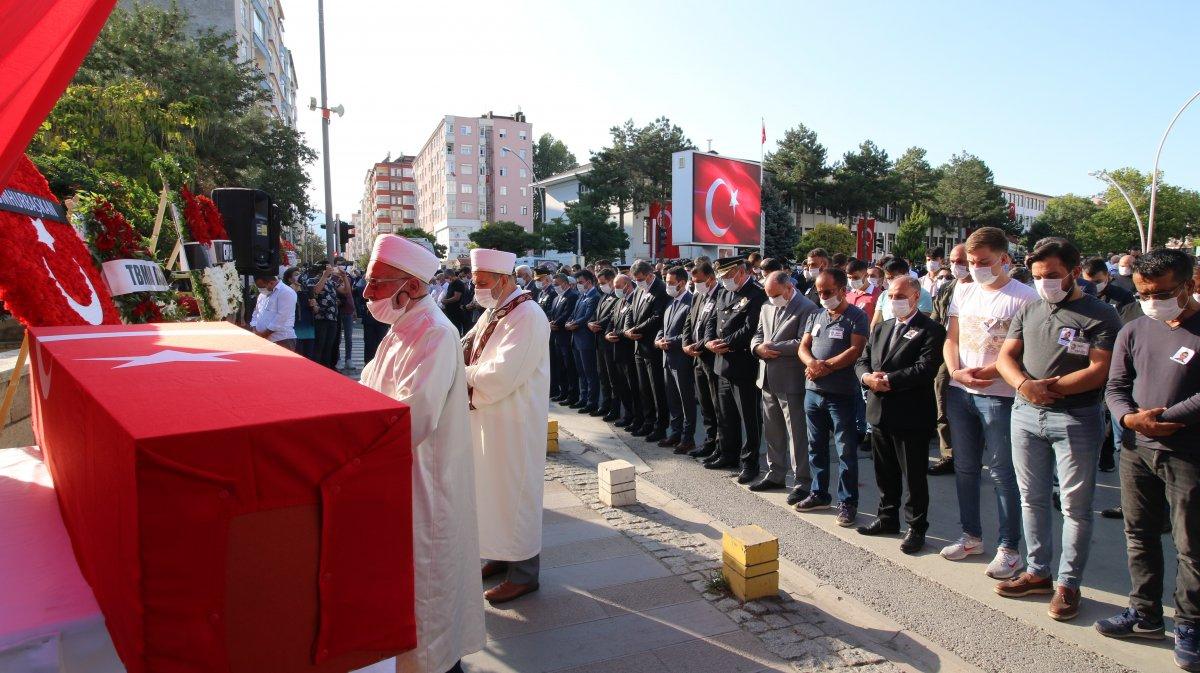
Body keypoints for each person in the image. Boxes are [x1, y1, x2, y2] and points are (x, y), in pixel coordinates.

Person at [357, 236, 484, 673]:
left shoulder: (435, 333)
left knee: (427, 590)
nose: (366, 293)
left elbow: (413, 417)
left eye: (376, 284)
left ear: (409, 286)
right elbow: (367, 390)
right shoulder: (399, 331)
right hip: (399, 476)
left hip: (426, 479)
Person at [993, 238, 1121, 621]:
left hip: (1076, 418)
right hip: (1026, 414)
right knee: (1031, 498)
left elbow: (1099, 369)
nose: (1044, 282)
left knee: (1075, 508)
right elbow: (1005, 357)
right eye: (1036, 276)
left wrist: (1050, 388)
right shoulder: (1029, 309)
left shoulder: (1101, 315)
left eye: (1051, 275)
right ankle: (1037, 571)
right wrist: (1023, 386)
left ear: (1074, 269)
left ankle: (1068, 583)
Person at [1097, 248, 1200, 671]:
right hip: (1138, 450)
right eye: (1143, 292)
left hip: (1188, 454)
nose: (1151, 300)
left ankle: (1191, 624)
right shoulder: (1134, 328)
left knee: (1191, 546)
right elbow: (1116, 384)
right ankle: (1145, 613)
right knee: (1139, 534)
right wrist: (1128, 417)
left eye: (1161, 292)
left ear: (1190, 285)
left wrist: (1163, 420)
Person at [940, 226, 1038, 579]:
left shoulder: (1025, 297)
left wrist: (995, 372)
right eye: (971, 261)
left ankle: (1009, 548)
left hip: (1001, 397)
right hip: (960, 390)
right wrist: (956, 371)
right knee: (965, 468)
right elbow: (951, 339)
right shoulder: (962, 291)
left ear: (1004, 259)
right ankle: (971, 536)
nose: (976, 267)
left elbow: (1025, 351)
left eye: (983, 261)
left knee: (1001, 472)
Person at [465, 248, 551, 605]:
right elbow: (466, 348)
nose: (477, 289)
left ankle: (524, 573)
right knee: (490, 491)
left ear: (503, 280)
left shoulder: (527, 314)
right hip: (490, 416)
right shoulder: (495, 310)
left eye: (482, 283)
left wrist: (458, 375)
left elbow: (502, 374)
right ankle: (498, 555)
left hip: (514, 421)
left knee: (515, 494)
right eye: (475, 282)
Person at [855, 275, 945, 553]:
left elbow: (926, 368)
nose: (895, 301)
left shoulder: (930, 330)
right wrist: (867, 377)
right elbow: (862, 359)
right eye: (891, 296)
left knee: (914, 477)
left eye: (900, 296)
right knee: (885, 472)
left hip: (911, 414)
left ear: (916, 297)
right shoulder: (882, 327)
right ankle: (887, 518)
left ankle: (916, 528)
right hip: (880, 411)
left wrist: (890, 379)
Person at [796, 268, 869, 526]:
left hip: (841, 395)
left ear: (841, 289)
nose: (823, 296)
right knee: (815, 446)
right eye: (820, 292)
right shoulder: (816, 315)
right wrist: (812, 363)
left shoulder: (856, 317)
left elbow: (855, 350)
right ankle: (819, 493)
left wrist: (823, 366)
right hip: (813, 392)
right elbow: (803, 347)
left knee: (846, 450)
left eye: (828, 292)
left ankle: (847, 502)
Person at [751, 271, 819, 502]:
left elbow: (803, 342)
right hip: (767, 377)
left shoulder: (807, 307)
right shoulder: (766, 306)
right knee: (773, 430)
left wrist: (773, 347)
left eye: (776, 295)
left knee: (796, 434)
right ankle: (775, 473)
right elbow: (758, 334)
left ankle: (802, 482)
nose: (772, 299)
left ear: (789, 288)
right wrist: (757, 348)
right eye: (769, 295)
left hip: (791, 380)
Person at [704, 256, 767, 478]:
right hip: (722, 363)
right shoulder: (723, 292)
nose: (724, 280)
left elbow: (751, 328)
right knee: (725, 413)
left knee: (749, 417)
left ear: (741, 272)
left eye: (728, 276)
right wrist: (709, 341)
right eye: (721, 277)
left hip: (743, 364)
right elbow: (713, 319)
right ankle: (728, 453)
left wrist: (726, 343)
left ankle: (750, 463)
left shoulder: (756, 294)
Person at [928, 244, 972, 476]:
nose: (957, 266)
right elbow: (935, 322)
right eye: (954, 261)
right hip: (948, 353)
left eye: (962, 261)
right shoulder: (947, 289)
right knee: (942, 404)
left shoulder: (983, 289)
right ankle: (949, 455)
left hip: (977, 355)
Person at [682, 261, 723, 460]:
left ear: (711, 279)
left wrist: (696, 347)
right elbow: (689, 321)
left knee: (717, 405)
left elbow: (713, 329)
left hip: (710, 358)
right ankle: (708, 441)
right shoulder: (698, 296)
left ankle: (719, 445)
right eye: (693, 280)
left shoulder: (720, 296)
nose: (694, 284)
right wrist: (685, 344)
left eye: (698, 281)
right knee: (705, 404)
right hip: (697, 358)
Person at [626, 260, 671, 442]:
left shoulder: (660, 290)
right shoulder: (639, 289)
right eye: (635, 280)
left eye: (640, 279)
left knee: (656, 389)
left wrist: (636, 330)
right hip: (638, 346)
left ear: (650, 275)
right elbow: (631, 310)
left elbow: (657, 317)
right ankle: (648, 421)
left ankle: (660, 425)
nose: (637, 282)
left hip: (652, 346)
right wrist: (629, 328)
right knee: (644, 387)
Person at [655, 266, 696, 452]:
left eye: (671, 283)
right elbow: (663, 327)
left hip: (682, 360)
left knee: (686, 400)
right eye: (667, 281)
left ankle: (688, 438)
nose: (668, 285)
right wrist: (658, 339)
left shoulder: (691, 302)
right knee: (673, 400)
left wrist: (669, 341)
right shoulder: (671, 302)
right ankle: (675, 433)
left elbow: (690, 334)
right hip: (667, 358)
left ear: (682, 282)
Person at [607, 274, 644, 430]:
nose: (615, 289)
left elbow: (630, 327)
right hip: (617, 351)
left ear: (627, 285)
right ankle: (628, 415)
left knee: (633, 388)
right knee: (622, 386)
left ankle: (638, 418)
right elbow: (611, 321)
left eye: (617, 286)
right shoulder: (619, 302)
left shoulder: (634, 302)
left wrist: (618, 334)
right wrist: (607, 333)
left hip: (629, 352)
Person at [567, 269, 602, 414]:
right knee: (581, 372)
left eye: (581, 282)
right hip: (576, 338)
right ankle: (583, 398)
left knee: (590, 372)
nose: (579, 285)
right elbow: (574, 314)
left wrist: (574, 323)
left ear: (589, 281)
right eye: (577, 283)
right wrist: (569, 322)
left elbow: (588, 316)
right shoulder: (582, 296)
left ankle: (591, 401)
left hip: (586, 339)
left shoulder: (594, 296)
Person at [306, 262, 350, 369]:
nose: (331, 269)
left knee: (329, 346)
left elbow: (346, 290)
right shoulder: (312, 280)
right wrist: (324, 276)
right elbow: (316, 290)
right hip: (320, 318)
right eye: (329, 267)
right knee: (319, 346)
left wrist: (344, 277)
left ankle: (327, 368)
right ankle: (317, 369)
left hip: (332, 318)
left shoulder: (332, 282)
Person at [590, 268, 620, 419]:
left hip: (609, 342)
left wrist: (598, 324)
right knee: (602, 375)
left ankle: (614, 409)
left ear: (611, 280)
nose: (600, 285)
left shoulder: (617, 296)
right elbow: (596, 313)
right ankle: (605, 405)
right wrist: (590, 323)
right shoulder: (604, 296)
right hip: (599, 341)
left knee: (612, 377)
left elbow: (611, 316)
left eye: (603, 283)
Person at [872, 258, 934, 328]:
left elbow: (921, 324)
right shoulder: (884, 295)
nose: (892, 281)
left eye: (894, 277)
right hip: (887, 335)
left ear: (906, 274)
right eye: (889, 278)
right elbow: (876, 323)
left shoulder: (922, 294)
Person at [549, 273, 579, 405]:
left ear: (565, 284)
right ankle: (563, 392)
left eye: (557, 284)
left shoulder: (572, 296)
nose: (555, 287)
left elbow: (567, 314)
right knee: (559, 366)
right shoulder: (556, 298)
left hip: (566, 337)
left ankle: (572, 395)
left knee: (569, 367)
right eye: (554, 284)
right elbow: (552, 313)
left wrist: (555, 323)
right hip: (556, 337)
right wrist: (549, 322)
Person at [250, 271, 298, 351]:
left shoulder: (286, 292)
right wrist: (255, 329)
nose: (260, 289)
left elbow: (281, 318)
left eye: (262, 287)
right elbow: (256, 312)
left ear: (271, 283)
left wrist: (263, 335)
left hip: (282, 340)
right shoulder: (262, 295)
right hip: (263, 340)